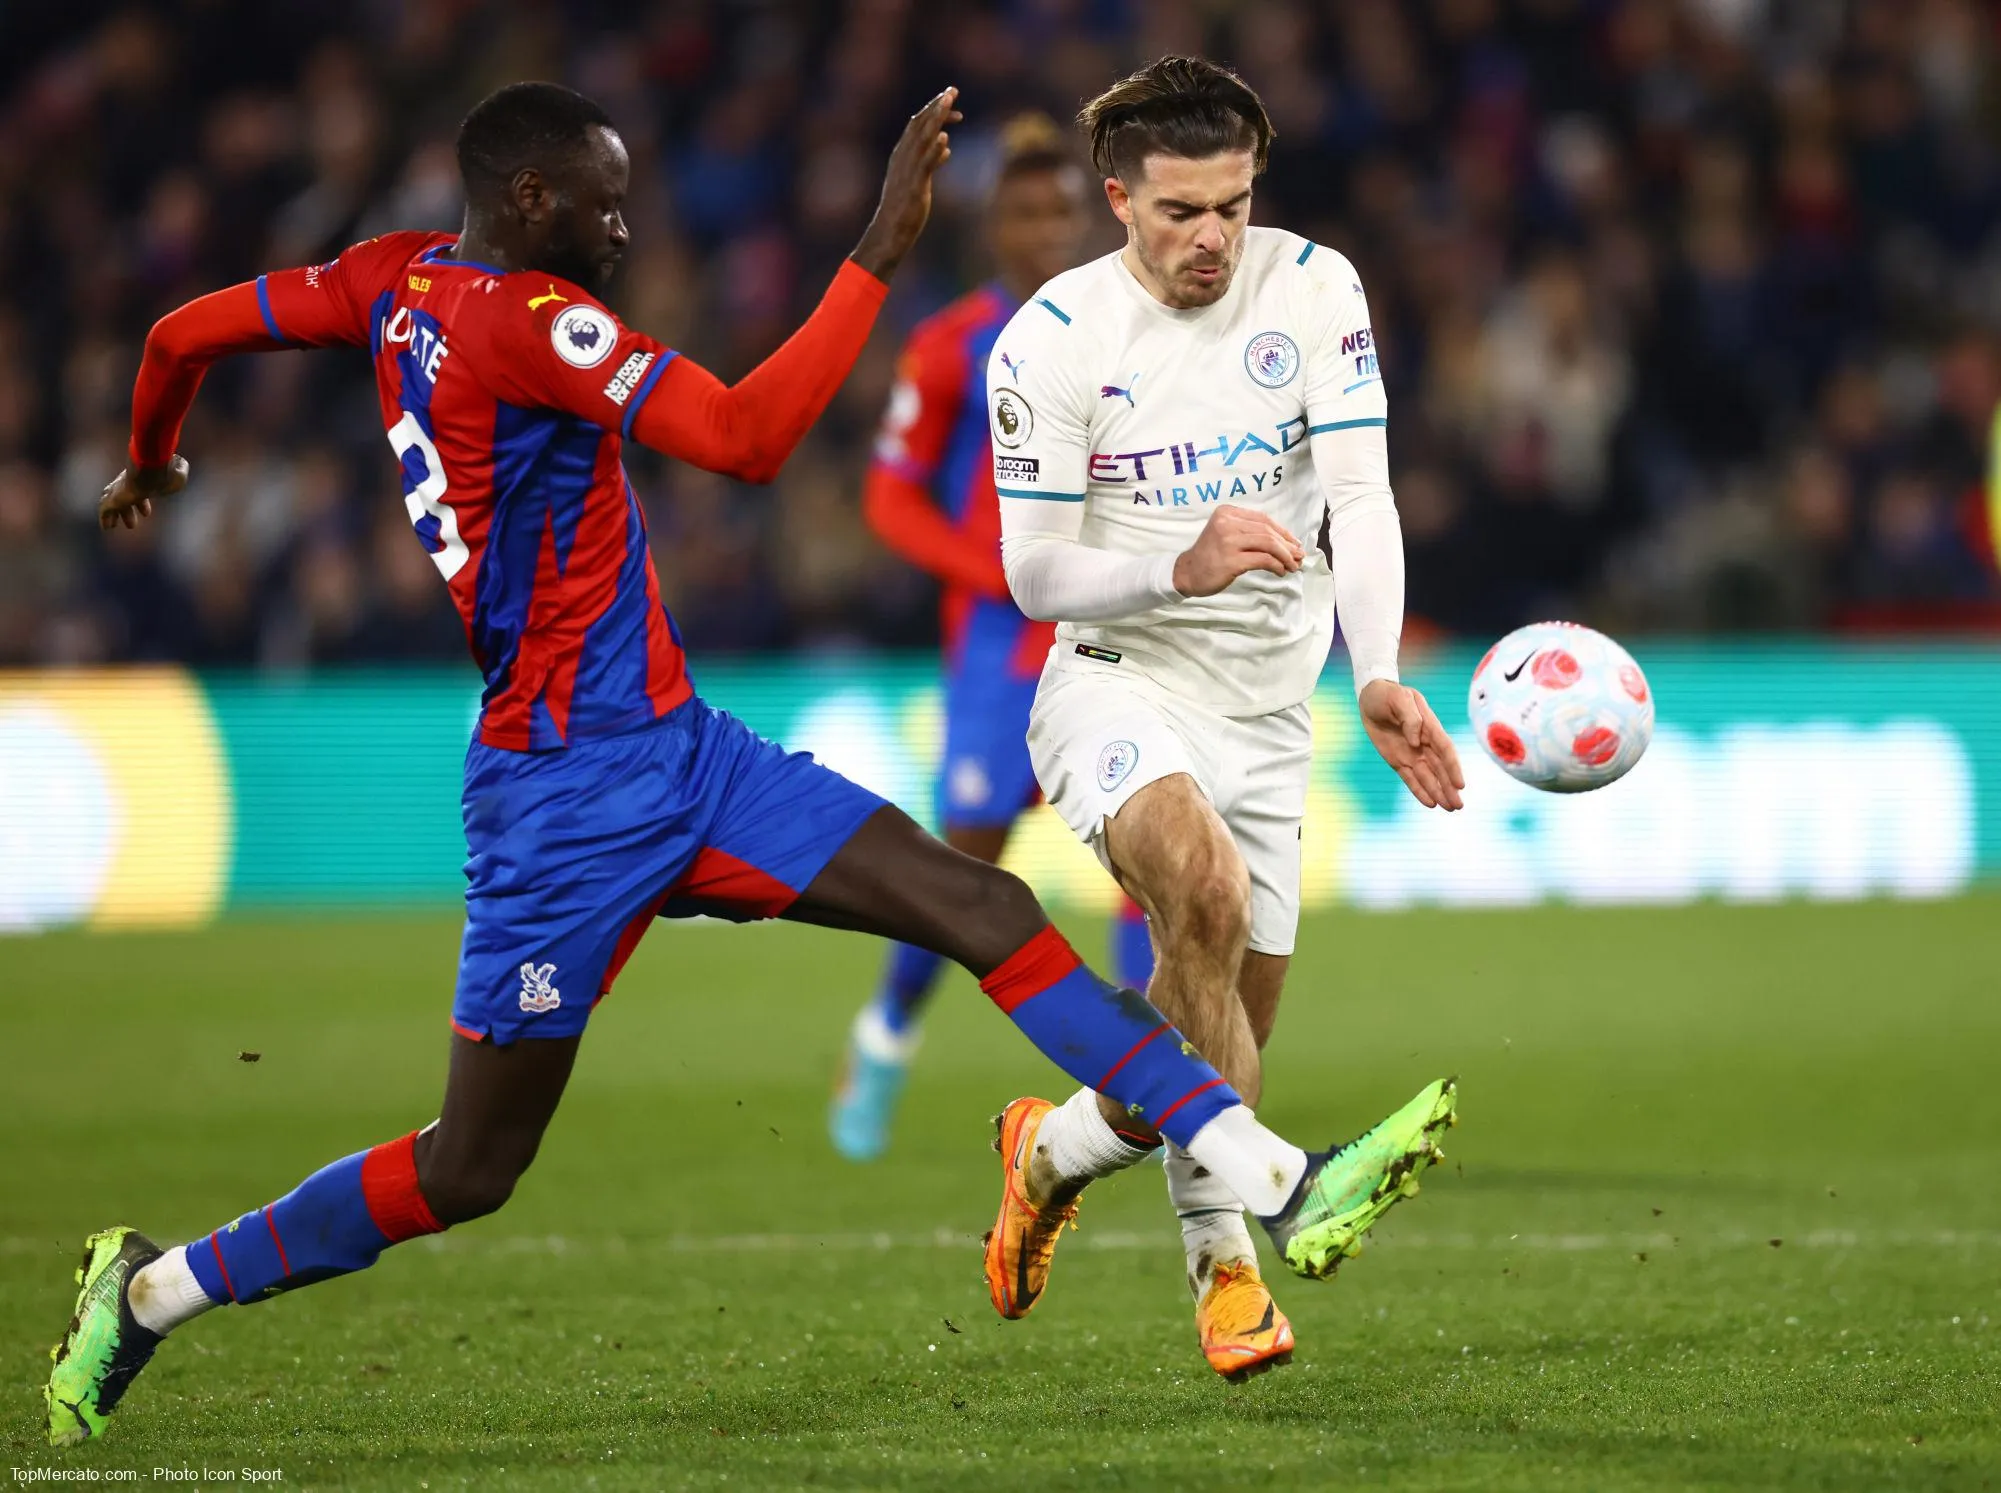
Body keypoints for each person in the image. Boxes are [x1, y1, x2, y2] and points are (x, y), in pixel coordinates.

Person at [48, 80, 1453, 1446]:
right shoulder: (538, 325)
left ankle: (1273, 1176)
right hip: (560, 802)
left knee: (982, 909)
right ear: (528, 200)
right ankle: (158, 1289)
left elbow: (180, 330)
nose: (621, 229)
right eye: (601, 206)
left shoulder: (382, 279)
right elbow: (745, 437)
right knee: (469, 1168)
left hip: (688, 754)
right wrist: (875, 255)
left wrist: (149, 458)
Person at [977, 57, 1466, 1381]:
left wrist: (1376, 671)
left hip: (1269, 711)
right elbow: (1031, 572)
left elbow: (1360, 500)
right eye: (1180, 211)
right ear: (1116, 194)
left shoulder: (1314, 289)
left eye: (1231, 208)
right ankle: (1232, 1263)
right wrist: (1175, 564)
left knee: (1211, 1035)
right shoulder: (1051, 340)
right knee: (1198, 890)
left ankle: (1051, 1150)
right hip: (1115, 672)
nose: (1210, 239)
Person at [829, 114, 1153, 1163]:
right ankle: (883, 1036)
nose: (1048, 227)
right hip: (998, 654)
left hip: (1120, 636)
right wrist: (1003, 575)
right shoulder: (950, 345)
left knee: (1146, 856)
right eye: (1026, 211)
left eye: (1064, 207)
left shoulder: (1139, 330)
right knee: (967, 871)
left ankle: (1144, 1081)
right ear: (993, 226)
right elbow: (889, 497)